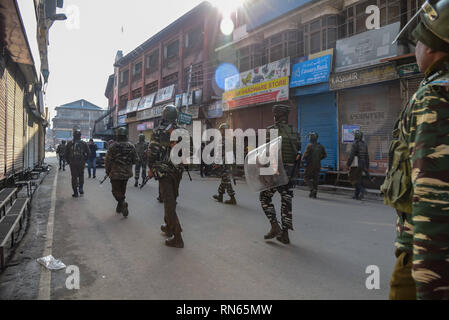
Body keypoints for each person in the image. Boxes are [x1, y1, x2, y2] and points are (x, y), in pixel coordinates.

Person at [382, 0, 449, 300]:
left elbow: (433, 198)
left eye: (420, 41)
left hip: (427, 258)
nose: (416, 48)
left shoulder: (433, 97)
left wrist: (429, 283)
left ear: (433, 47)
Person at [259, 104, 301, 244]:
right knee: (286, 201)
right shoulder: (295, 132)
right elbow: (298, 153)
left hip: (275, 172)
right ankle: (285, 234)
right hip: (290, 173)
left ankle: (274, 226)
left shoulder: (271, 131)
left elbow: (266, 154)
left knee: (264, 198)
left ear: (276, 115)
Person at [147, 104, 185, 248]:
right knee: (171, 199)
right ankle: (169, 226)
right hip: (177, 172)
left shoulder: (158, 132)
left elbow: (152, 152)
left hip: (164, 172)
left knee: (169, 203)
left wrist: (150, 168)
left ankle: (177, 237)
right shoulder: (183, 131)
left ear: (163, 116)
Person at [104, 127, 138, 218]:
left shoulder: (113, 146)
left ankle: (122, 203)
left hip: (115, 173)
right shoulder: (131, 146)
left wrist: (107, 171)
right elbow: (135, 160)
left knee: (115, 191)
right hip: (126, 173)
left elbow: (107, 161)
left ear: (117, 135)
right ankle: (120, 207)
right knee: (122, 191)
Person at [212, 123, 237, 205]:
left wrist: (216, 162)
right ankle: (220, 195)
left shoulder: (224, 139)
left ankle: (232, 198)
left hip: (225, 163)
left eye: (221, 130)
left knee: (226, 181)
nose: (221, 131)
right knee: (224, 180)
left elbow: (221, 153)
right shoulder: (229, 139)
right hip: (228, 162)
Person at [65, 129, 90, 197]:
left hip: (73, 163)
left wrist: (68, 162)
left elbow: (66, 154)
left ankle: (75, 192)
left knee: (74, 177)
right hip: (81, 162)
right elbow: (89, 153)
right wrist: (85, 160)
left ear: (73, 136)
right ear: (80, 136)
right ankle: (81, 188)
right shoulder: (84, 143)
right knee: (81, 175)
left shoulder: (70, 143)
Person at [302, 132, 326, 198]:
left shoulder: (309, 146)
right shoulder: (321, 146)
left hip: (310, 165)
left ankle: (312, 189)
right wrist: (319, 159)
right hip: (318, 165)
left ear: (311, 138)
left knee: (306, 177)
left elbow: (305, 155)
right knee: (315, 179)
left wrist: (302, 162)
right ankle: (314, 194)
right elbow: (324, 155)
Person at [346, 130, 369, 200]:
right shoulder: (365, 144)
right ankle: (356, 195)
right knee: (358, 179)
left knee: (352, 179)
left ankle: (362, 190)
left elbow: (351, 155)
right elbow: (367, 156)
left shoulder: (355, 144)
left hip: (356, 164)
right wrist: (367, 166)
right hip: (363, 164)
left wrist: (348, 164)